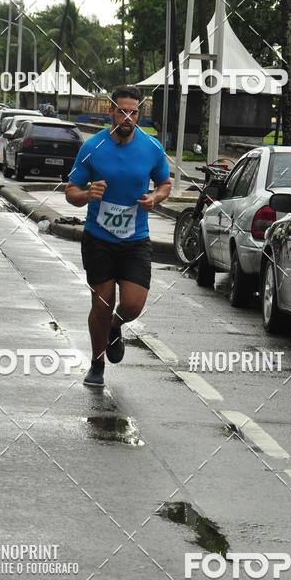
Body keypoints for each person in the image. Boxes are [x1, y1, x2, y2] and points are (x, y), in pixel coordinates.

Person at [65, 84, 172, 387]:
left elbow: (165, 183)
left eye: (133, 112)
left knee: (133, 306)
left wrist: (155, 198)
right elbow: (71, 191)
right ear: (110, 111)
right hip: (98, 238)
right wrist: (87, 194)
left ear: (139, 114)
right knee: (101, 302)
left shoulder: (151, 147)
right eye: (122, 111)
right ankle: (97, 363)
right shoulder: (92, 147)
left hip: (135, 239)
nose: (127, 117)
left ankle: (116, 326)